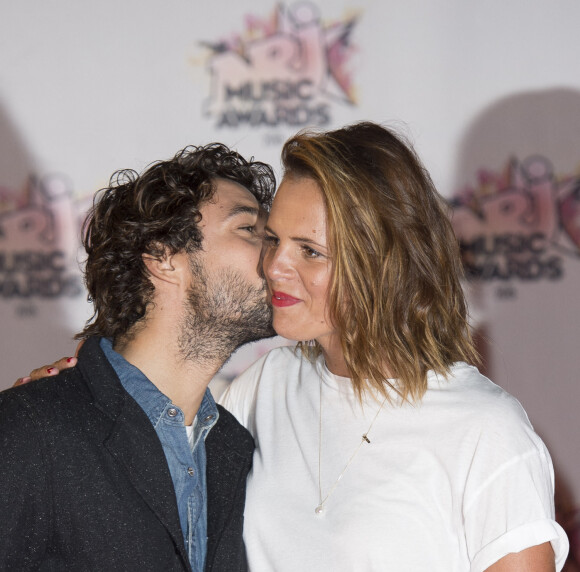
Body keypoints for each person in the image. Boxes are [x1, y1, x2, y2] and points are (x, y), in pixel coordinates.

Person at [18, 122, 569, 571]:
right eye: (273, 238)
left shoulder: (486, 429)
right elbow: (147, 431)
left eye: (309, 250)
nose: (274, 264)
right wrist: (69, 392)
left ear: (380, 265)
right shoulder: (267, 387)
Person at [0, 143, 276, 571]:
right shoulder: (30, 429)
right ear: (163, 255)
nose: (278, 257)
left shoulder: (234, 451)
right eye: (249, 230)